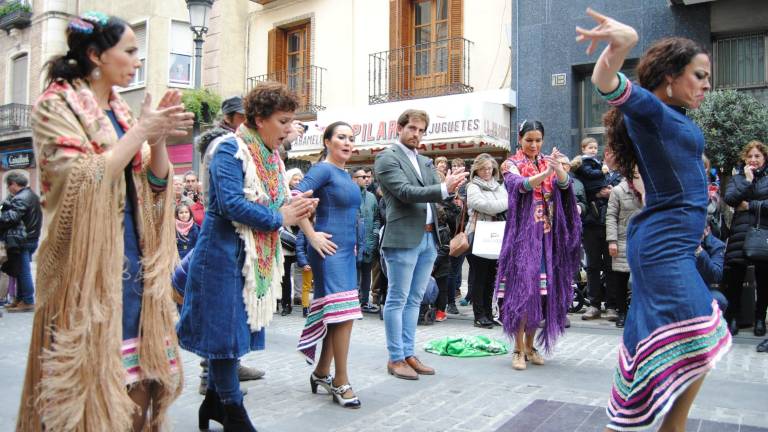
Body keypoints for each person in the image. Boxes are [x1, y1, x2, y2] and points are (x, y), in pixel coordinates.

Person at [17, 11, 195, 431]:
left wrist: (156, 139)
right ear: (97, 55)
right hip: (87, 267)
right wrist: (141, 132)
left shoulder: (120, 110)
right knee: (89, 385)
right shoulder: (54, 105)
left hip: (134, 258)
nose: (138, 60)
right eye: (130, 51)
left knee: (141, 379)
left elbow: (150, 182)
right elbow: (76, 179)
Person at [577, 9, 732, 430]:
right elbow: (605, 83)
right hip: (663, 245)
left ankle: (666, 426)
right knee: (701, 329)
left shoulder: (675, 119)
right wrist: (621, 45)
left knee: (694, 332)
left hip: (671, 242)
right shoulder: (653, 112)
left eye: (707, 77)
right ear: (669, 77)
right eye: (698, 75)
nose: (706, 84)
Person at [177, 81, 316, 431]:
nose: (288, 129)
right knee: (225, 335)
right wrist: (280, 217)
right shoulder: (229, 149)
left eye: (290, 121)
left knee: (235, 332)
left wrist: (295, 205)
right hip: (221, 255)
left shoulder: (270, 155)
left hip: (249, 257)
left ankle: (213, 403)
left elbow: (272, 200)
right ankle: (233, 411)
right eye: (283, 121)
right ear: (258, 118)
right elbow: (229, 204)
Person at [374, 109, 468, 380]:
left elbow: (434, 195)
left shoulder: (426, 162)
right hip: (402, 237)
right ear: (400, 127)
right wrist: (443, 188)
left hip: (429, 238)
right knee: (397, 298)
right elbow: (405, 192)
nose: (416, 134)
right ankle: (395, 358)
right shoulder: (386, 158)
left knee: (415, 298)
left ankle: (408, 353)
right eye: (412, 128)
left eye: (421, 130)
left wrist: (451, 189)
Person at [496, 120, 581, 371]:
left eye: (538, 140)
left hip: (548, 238)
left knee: (542, 296)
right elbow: (519, 186)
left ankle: (531, 346)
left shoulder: (549, 161)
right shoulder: (510, 164)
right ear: (519, 139)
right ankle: (517, 349)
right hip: (523, 239)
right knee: (524, 293)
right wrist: (545, 174)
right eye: (529, 140)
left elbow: (565, 187)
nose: (534, 145)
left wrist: (559, 170)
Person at [295, 121, 364, 408]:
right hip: (329, 250)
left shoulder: (345, 174)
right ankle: (341, 380)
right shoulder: (322, 169)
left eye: (350, 138)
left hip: (346, 251)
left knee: (338, 314)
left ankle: (322, 372)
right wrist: (311, 235)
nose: (347, 143)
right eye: (341, 137)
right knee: (344, 315)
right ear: (327, 141)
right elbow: (295, 197)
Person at [723, 140, 768, 337]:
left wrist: (751, 206)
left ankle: (759, 319)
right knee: (734, 279)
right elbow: (731, 199)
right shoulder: (738, 178)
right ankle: (733, 317)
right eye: (750, 156)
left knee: (764, 279)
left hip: (763, 234)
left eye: (757, 156)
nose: (753, 160)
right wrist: (748, 181)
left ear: (764, 158)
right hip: (740, 235)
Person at [577, 136, 620, 322]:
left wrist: (612, 193)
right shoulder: (592, 168)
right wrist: (596, 193)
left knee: (612, 267)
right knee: (592, 266)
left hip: (612, 226)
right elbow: (580, 189)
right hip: (591, 223)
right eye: (613, 153)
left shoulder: (620, 174)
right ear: (607, 154)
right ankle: (594, 305)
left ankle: (611, 306)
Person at [466, 154, 508, 328]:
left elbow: (503, 203)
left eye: (490, 168)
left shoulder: (498, 186)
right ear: (477, 169)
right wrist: (502, 204)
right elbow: (485, 206)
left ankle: (489, 313)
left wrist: (498, 204)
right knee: (479, 277)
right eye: (483, 168)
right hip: (478, 234)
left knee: (492, 277)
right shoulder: (473, 186)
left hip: (496, 234)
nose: (487, 171)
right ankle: (479, 314)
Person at [605, 160, 642, 328]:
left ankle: (638, 313)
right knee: (620, 279)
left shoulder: (648, 190)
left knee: (642, 280)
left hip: (644, 240)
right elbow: (611, 216)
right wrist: (612, 241)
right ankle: (622, 312)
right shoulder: (618, 191)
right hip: (623, 240)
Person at [0, 173, 41, 313]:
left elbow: (12, 217)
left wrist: (3, 209)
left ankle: (28, 300)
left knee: (23, 272)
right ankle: (20, 299)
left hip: (22, 240)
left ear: (14, 184)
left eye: (9, 185)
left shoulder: (21, 197)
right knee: (18, 270)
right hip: (27, 238)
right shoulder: (30, 195)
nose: (8, 188)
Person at [352, 167, 380, 313]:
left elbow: (376, 219)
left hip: (368, 241)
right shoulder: (349, 196)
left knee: (366, 274)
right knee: (354, 274)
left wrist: (374, 236)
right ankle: (353, 302)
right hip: (353, 243)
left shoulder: (371, 197)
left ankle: (364, 302)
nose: (366, 179)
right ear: (354, 179)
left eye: (367, 177)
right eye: (362, 177)